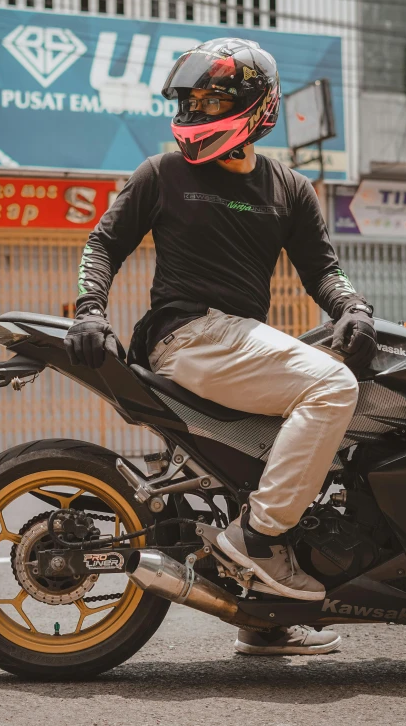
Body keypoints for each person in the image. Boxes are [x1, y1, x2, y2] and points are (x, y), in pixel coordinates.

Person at [64, 38, 376, 655]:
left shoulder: (289, 188)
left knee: (294, 435)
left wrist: (353, 308)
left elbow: (323, 270)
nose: (196, 112)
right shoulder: (163, 174)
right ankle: (259, 541)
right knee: (331, 385)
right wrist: (90, 310)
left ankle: (264, 617)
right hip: (191, 335)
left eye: (211, 100)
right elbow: (104, 244)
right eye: (191, 100)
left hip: (235, 341)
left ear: (256, 106)